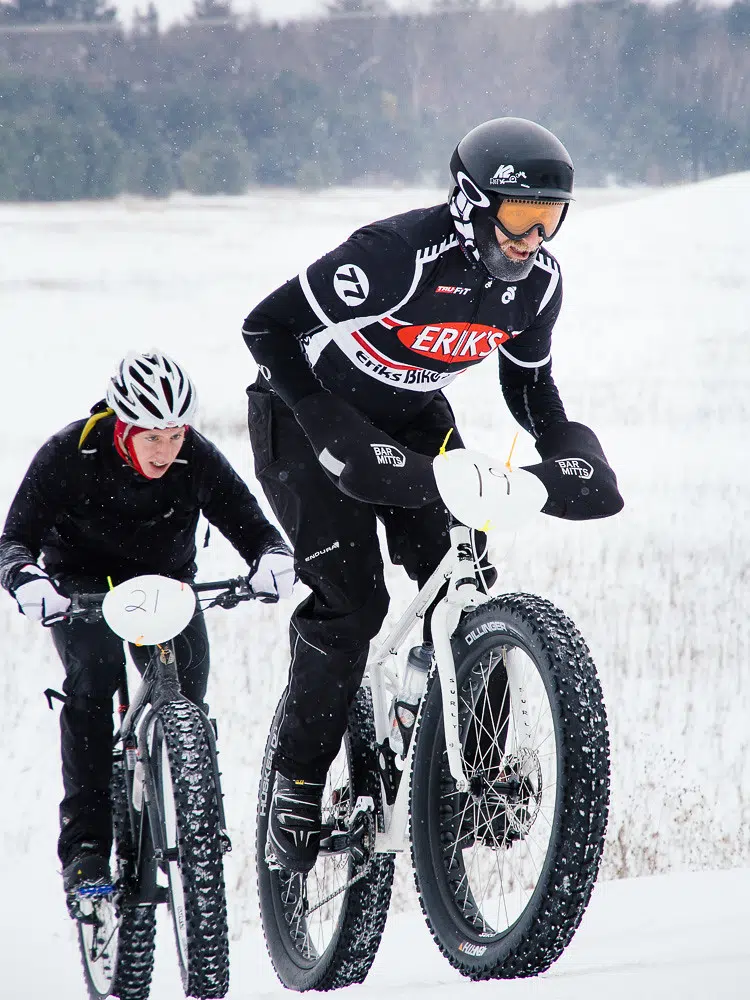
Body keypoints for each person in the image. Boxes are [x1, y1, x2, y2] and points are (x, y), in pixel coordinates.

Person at [241, 117, 624, 873]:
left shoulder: (538, 282)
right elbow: (267, 327)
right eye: (520, 218)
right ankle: (299, 780)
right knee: (353, 603)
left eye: (551, 219)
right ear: (469, 203)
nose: (533, 238)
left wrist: (567, 452)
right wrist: (321, 419)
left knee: (464, 580)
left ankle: (479, 772)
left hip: (415, 418)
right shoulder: (396, 258)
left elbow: (530, 384)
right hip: (301, 412)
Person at [0, 350, 295, 907]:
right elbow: (14, 540)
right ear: (123, 426)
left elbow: (251, 524)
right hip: (81, 588)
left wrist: (272, 557)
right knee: (93, 679)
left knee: (188, 691)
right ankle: (87, 845)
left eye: (176, 434)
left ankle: (192, 810)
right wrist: (26, 579)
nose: (166, 451)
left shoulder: (195, 458)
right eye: (152, 437)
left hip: (166, 583)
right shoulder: (70, 453)